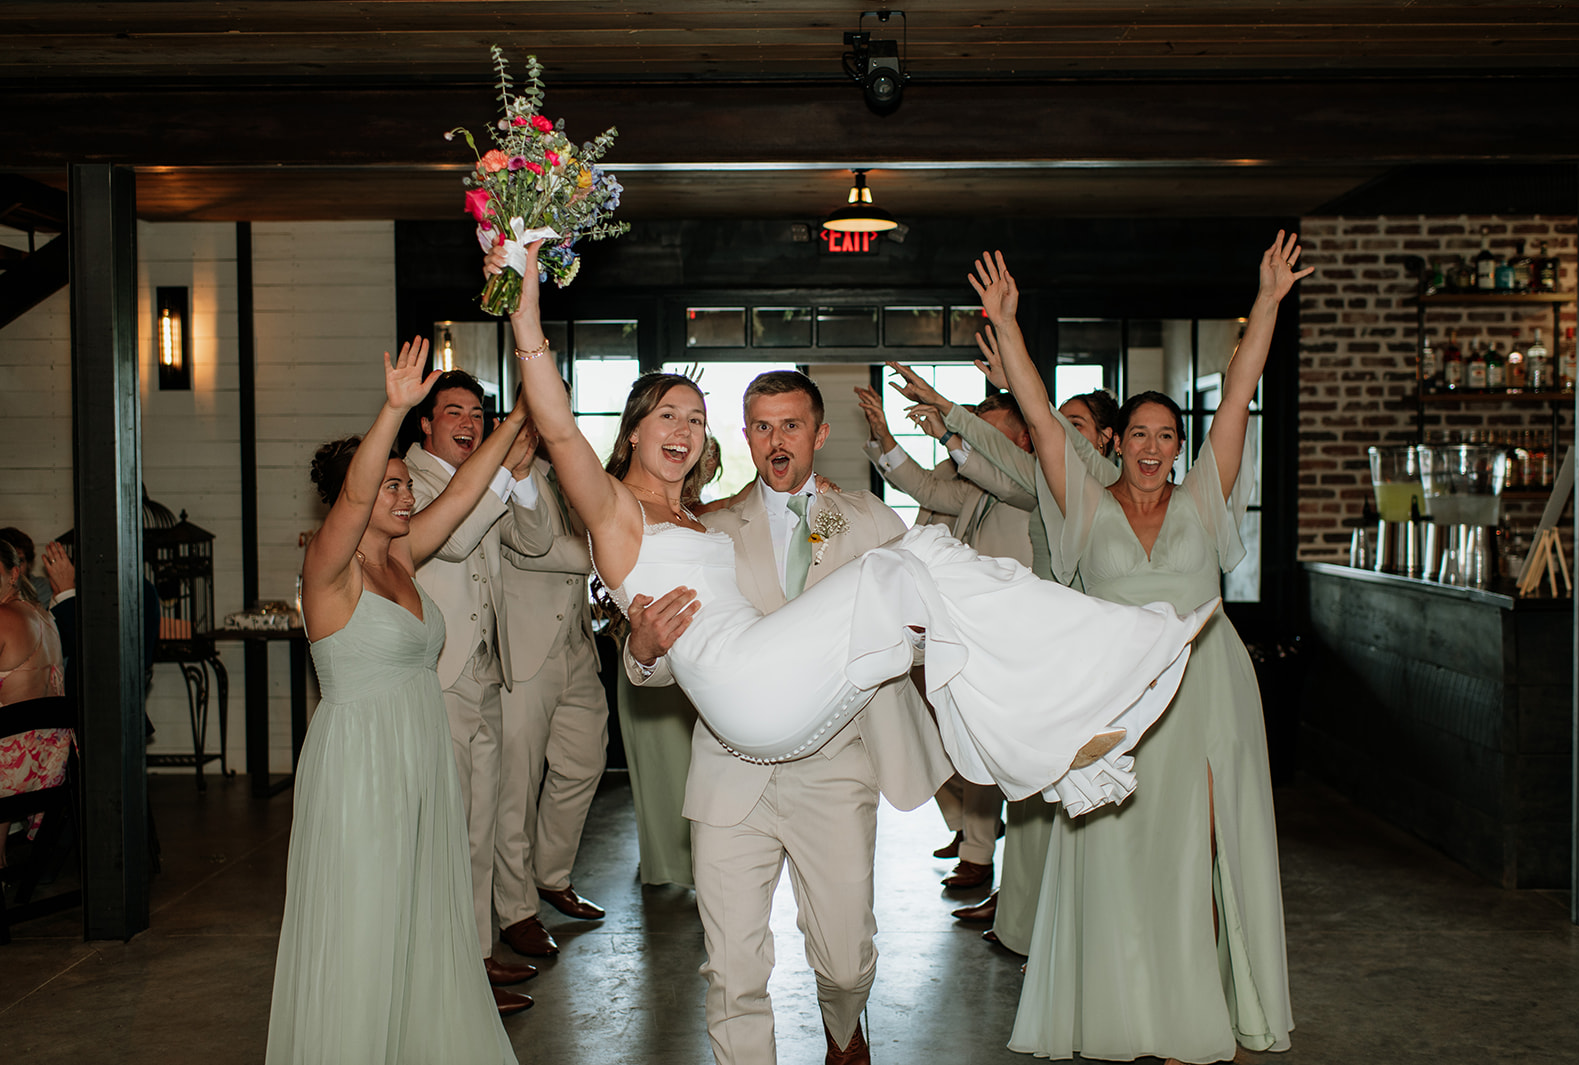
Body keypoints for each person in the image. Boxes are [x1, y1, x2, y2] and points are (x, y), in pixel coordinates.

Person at [487, 242, 1211, 1063]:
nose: (687, 429)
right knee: (734, 973)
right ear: (632, 432)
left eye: (696, 416)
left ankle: (1059, 732)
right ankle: (1104, 666)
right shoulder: (620, 511)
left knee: (921, 569)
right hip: (739, 722)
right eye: (669, 416)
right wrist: (524, 294)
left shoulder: (730, 517)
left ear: (814, 432)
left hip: (814, 731)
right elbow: (555, 424)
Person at [942, 237, 1307, 1062]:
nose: (1150, 446)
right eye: (1137, 433)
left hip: (1207, 689)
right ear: (1117, 442)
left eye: (1165, 434)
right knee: (1111, 856)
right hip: (1112, 695)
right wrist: (1008, 325)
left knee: (1196, 854)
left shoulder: (1206, 499)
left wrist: (1269, 302)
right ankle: (1112, 1014)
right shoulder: (1084, 502)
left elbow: (1241, 393)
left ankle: (1189, 1017)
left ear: (1181, 445)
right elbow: (1037, 418)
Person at [266, 339, 526, 1063]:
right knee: (366, 921)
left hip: (418, 759)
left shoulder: (404, 556)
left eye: (405, 486)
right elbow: (353, 497)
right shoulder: (328, 567)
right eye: (392, 487)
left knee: (419, 916)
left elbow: (469, 490)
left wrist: (519, 414)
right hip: (359, 770)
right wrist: (395, 407)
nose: (407, 495)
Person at [401, 370, 556, 986]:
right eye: (453, 412)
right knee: (450, 824)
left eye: (477, 413)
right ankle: (455, 967)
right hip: (439, 674)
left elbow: (539, 539)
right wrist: (496, 473)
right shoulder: (408, 480)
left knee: (481, 822)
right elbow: (457, 541)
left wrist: (520, 474)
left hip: (489, 673)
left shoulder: (489, 476)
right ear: (426, 423)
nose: (468, 424)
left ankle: (477, 953)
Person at [858, 390, 1036, 895]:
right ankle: (977, 849)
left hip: (1013, 633)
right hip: (964, 626)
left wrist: (951, 436)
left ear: (1023, 440)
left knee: (1001, 749)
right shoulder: (975, 489)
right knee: (965, 741)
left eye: (991, 435)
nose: (979, 447)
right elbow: (925, 489)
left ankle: (987, 857)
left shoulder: (1035, 482)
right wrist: (885, 436)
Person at [494, 416, 610, 954]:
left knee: (585, 762)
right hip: (524, 650)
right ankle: (515, 910)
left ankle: (552, 876)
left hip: (577, 645)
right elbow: (533, 549)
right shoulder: (507, 474)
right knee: (516, 784)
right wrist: (618, 550)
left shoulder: (577, 475)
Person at [611, 436, 725, 890]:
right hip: (649, 656)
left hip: (698, 669)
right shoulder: (623, 504)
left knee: (692, 770)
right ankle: (664, 863)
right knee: (661, 770)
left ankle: (697, 863)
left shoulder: (698, 517)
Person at [0, 538, 69, 866]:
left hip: (8, 773)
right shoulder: (45, 615)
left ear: (13, 574)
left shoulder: (2, 617)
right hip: (48, 768)